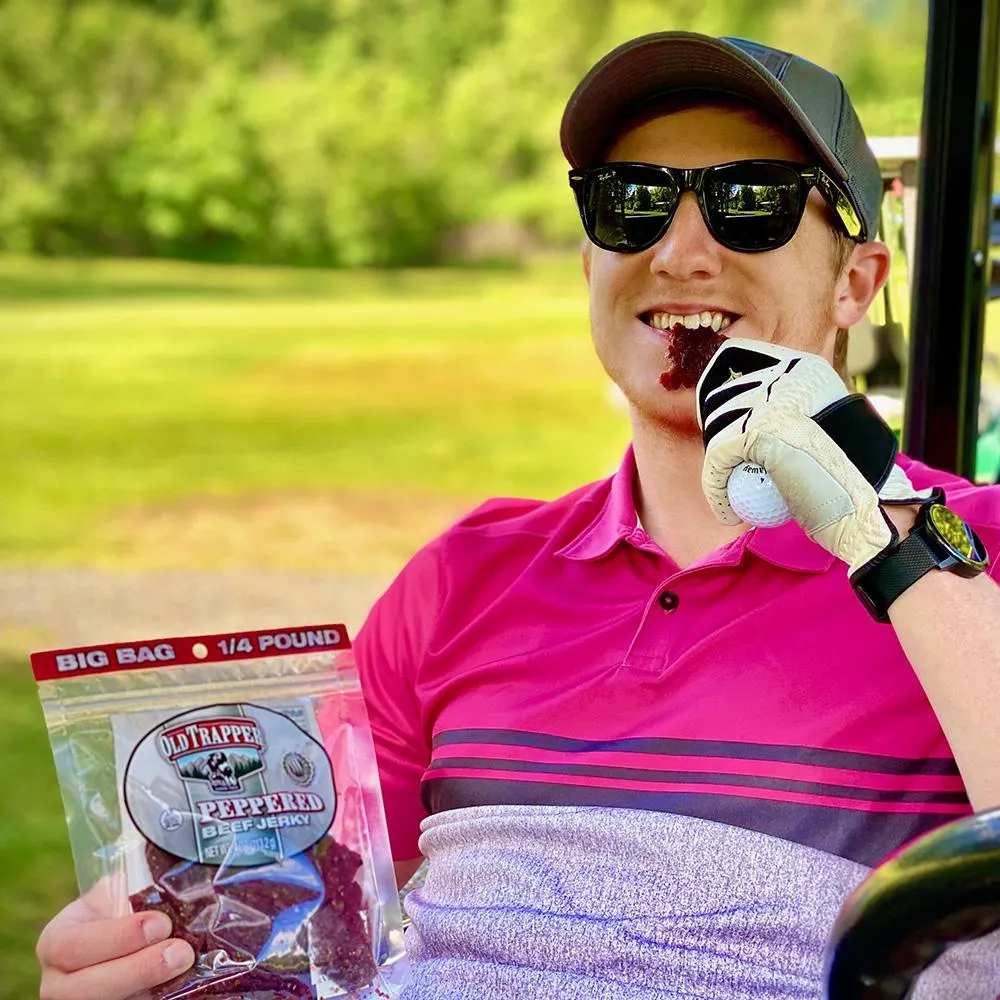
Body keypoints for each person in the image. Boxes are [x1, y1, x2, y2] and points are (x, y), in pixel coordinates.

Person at [34, 30, 1000, 1000]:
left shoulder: (969, 560)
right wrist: (152, 951)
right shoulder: (469, 573)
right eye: (633, 203)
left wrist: (886, 524)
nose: (679, 249)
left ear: (856, 283)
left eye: (752, 202)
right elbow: (301, 913)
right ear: (589, 264)